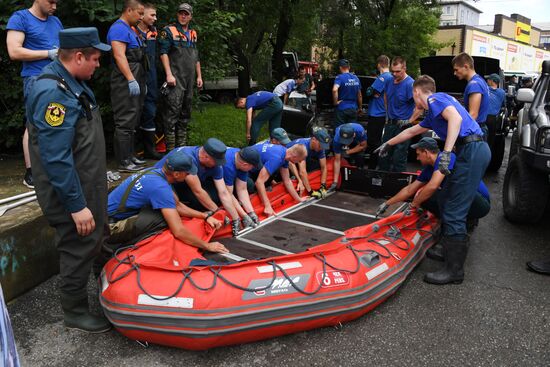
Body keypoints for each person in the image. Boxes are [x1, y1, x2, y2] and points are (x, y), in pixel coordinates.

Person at [26, 27, 112, 332]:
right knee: (78, 246)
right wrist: (76, 206)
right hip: (71, 192)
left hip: (87, 184)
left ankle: (109, 289)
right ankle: (75, 311)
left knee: (96, 238)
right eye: (95, 59)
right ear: (78, 57)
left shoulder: (72, 82)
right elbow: (56, 157)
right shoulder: (54, 93)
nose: (98, 65)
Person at [375, 75, 491, 285]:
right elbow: (412, 130)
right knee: (446, 197)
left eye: (413, 97)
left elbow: (455, 119)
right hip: (471, 149)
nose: (415, 102)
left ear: (417, 92)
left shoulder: (435, 99)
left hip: (471, 149)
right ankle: (448, 249)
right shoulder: (434, 113)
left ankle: (454, 270)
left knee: (455, 208)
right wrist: (389, 143)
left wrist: (446, 153)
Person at [376, 137, 490, 259]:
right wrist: (387, 203)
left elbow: (433, 185)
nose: (417, 158)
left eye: (419, 154)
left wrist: (413, 205)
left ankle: (455, 236)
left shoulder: (446, 158)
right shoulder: (429, 169)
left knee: (436, 195)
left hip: (479, 202)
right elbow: (409, 189)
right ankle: (463, 220)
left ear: (426, 152)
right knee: (426, 197)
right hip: (465, 201)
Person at [107, 150, 227, 253]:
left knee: (167, 210)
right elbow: (178, 231)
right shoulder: (160, 188)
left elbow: (177, 205)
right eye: (187, 173)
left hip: (106, 213)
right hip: (109, 226)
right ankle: (124, 247)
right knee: (162, 219)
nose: (188, 176)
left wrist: (204, 216)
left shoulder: (154, 171)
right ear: (176, 174)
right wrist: (207, 246)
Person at [6, 0, 63, 189]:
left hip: (59, 78)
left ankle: (52, 168)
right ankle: (31, 172)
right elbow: (14, 51)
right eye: (51, 1)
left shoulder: (55, 22)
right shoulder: (20, 18)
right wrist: (48, 53)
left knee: (56, 122)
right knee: (34, 124)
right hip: (36, 79)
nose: (54, 6)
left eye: (57, 2)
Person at [154, 138, 243, 236]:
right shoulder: (188, 160)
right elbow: (198, 191)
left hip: (184, 181)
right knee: (193, 201)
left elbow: (223, 192)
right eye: (216, 162)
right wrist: (218, 211)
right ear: (205, 157)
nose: (218, 165)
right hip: (167, 182)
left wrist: (235, 218)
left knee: (214, 197)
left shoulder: (215, 164)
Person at [107, 0, 147, 172]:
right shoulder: (118, 28)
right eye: (139, 13)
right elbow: (119, 56)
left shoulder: (130, 29)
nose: (141, 17)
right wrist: (131, 79)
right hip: (124, 81)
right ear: (128, 10)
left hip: (137, 76)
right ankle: (124, 162)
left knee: (133, 119)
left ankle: (130, 156)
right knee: (124, 121)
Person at [158, 2, 202, 151]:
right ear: (177, 14)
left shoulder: (193, 33)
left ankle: (181, 149)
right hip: (175, 79)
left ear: (191, 16)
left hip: (189, 80)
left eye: (186, 14)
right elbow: (163, 53)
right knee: (171, 115)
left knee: (185, 114)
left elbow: (196, 57)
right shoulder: (168, 31)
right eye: (181, 13)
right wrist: (168, 74)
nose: (183, 16)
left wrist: (199, 76)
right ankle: (170, 152)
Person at [378, 56, 421, 172]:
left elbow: (420, 106)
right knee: (384, 154)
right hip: (390, 124)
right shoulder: (388, 81)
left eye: (398, 71)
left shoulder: (410, 84)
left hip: (403, 125)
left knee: (399, 157)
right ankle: (382, 181)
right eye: (393, 71)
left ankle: (398, 184)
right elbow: (386, 96)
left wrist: (410, 121)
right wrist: (387, 114)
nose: (395, 74)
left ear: (405, 68)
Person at [135, 2, 162, 160]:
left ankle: (150, 149)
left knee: (150, 111)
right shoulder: (131, 31)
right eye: (152, 15)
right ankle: (132, 150)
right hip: (135, 76)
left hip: (151, 77)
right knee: (133, 113)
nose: (155, 18)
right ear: (142, 14)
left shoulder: (154, 32)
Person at [251, 143, 307, 216]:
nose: (299, 162)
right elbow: (259, 182)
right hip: (244, 167)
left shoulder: (285, 153)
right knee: (251, 187)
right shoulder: (277, 158)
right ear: (295, 157)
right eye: (299, 160)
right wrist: (268, 206)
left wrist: (298, 199)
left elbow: (287, 181)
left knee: (272, 173)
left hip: (251, 162)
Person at [221, 146, 264, 229]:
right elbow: (227, 193)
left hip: (228, 175)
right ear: (245, 164)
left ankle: (238, 204)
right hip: (205, 179)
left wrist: (251, 212)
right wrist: (243, 215)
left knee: (249, 184)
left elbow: (242, 189)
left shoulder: (241, 157)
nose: (252, 169)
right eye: (252, 166)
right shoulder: (228, 166)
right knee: (217, 195)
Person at [452, 52, 490, 138]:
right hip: (479, 129)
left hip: (475, 132)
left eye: (456, 69)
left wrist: (457, 134)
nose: (454, 73)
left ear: (466, 66)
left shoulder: (474, 84)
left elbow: (473, 115)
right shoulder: (480, 80)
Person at [286, 127, 331, 198]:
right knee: (302, 173)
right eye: (320, 146)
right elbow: (302, 172)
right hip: (288, 162)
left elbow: (324, 167)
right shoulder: (303, 147)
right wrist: (310, 191)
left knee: (316, 167)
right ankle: (295, 179)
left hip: (302, 160)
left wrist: (323, 186)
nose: (322, 148)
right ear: (313, 140)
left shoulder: (320, 148)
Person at [366, 55, 392, 169]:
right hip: (383, 113)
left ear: (379, 65)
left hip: (376, 113)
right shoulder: (391, 77)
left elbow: (370, 92)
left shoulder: (382, 78)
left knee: (373, 142)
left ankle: (372, 166)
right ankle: (379, 164)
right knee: (379, 140)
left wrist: (372, 92)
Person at [332, 123, 367, 189]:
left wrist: (348, 152)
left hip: (355, 142)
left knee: (360, 156)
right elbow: (337, 161)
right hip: (340, 141)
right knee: (341, 158)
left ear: (354, 135)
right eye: (345, 141)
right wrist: (335, 181)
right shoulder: (336, 139)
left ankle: (359, 177)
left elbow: (364, 145)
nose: (346, 143)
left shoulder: (360, 130)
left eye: (347, 141)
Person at [332, 59, 362, 128]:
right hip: (353, 109)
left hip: (342, 108)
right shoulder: (356, 78)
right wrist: (360, 108)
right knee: (351, 131)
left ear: (340, 67)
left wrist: (335, 102)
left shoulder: (339, 77)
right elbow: (359, 95)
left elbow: (334, 90)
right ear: (349, 67)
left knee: (340, 130)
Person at [486, 73, 506, 147]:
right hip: (493, 120)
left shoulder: (485, 89)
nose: (487, 81)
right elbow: (504, 105)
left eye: (488, 79)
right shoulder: (502, 93)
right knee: (490, 140)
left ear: (492, 81)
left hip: (483, 117)